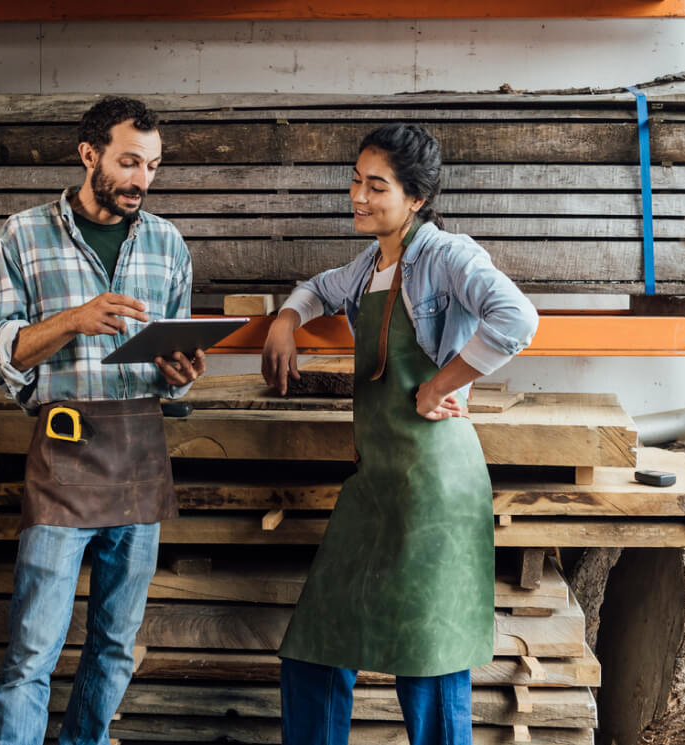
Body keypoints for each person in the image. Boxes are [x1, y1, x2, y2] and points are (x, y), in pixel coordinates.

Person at [260, 123, 539, 745]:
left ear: (415, 198)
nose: (358, 196)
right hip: (377, 481)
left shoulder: (445, 255)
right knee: (314, 645)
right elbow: (315, 289)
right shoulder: (370, 264)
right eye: (355, 181)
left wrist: (444, 383)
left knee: (428, 660)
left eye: (375, 185)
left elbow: (517, 318)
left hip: (435, 483)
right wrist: (285, 319)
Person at [0, 96, 204, 745]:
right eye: (130, 161)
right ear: (89, 155)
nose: (142, 179)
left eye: (153, 166)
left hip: (141, 452)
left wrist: (180, 373)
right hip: (64, 451)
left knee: (114, 644)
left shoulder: (168, 245)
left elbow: (174, 359)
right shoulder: (21, 235)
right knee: (32, 652)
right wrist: (74, 319)